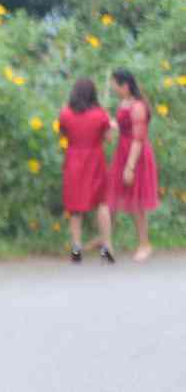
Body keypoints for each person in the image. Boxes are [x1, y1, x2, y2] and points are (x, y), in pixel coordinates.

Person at [57, 77, 115, 263]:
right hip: (94, 160)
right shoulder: (100, 114)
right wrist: (110, 125)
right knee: (102, 202)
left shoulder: (65, 114)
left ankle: (76, 249)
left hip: (74, 158)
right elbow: (108, 139)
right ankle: (107, 247)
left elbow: (63, 133)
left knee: (75, 207)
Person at [108, 67, 161, 262]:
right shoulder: (124, 102)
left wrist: (129, 167)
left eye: (114, 83)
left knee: (137, 201)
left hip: (135, 155)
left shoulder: (138, 106)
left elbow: (138, 139)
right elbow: (123, 124)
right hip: (122, 151)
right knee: (112, 195)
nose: (112, 87)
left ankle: (144, 244)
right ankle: (106, 239)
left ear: (125, 85)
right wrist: (112, 125)